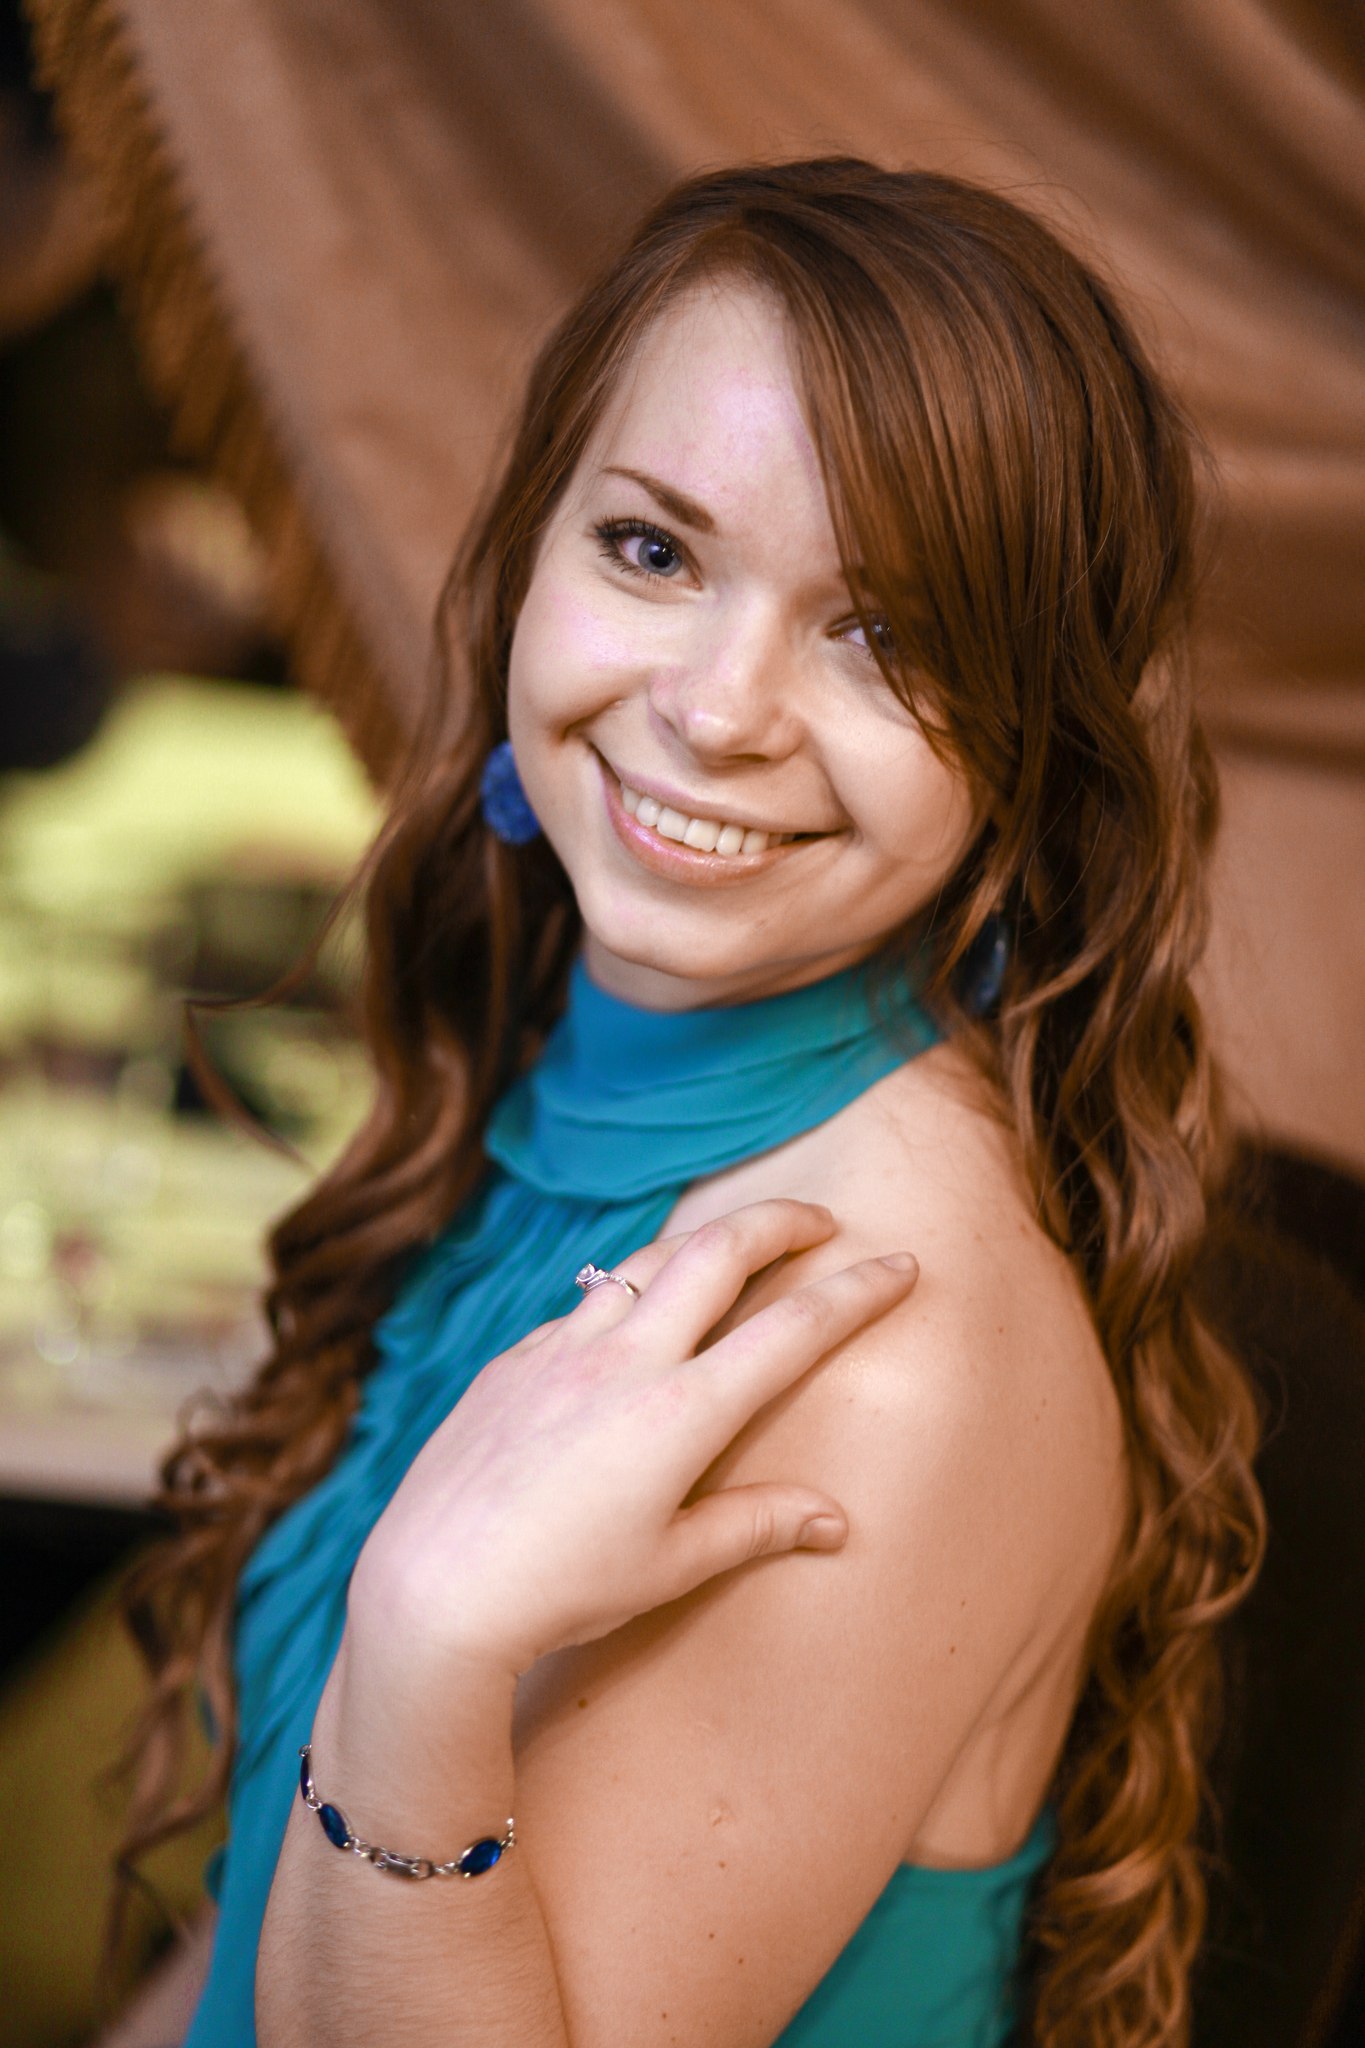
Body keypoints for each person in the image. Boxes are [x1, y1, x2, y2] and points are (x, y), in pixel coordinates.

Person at [112, 157, 1265, 2048]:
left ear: (1030, 752)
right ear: (529, 547)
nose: (719, 711)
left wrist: (424, 1647)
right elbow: (257, 1933)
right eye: (652, 551)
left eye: (885, 636)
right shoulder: (577, 1062)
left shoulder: (865, 1352)